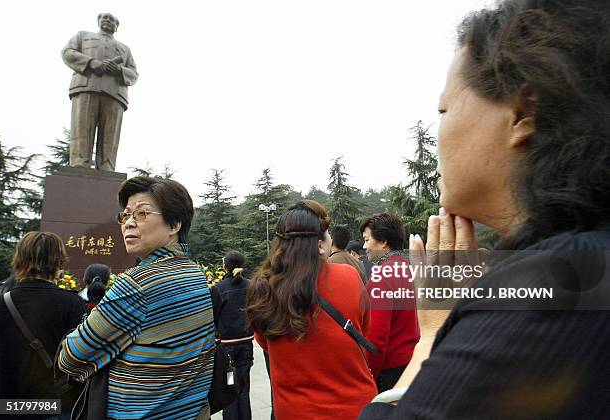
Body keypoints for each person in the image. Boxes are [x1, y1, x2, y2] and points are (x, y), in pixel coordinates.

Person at [360, 0, 610, 418]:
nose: (440, 130)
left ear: (523, 112)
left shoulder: (566, 279)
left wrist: (435, 331)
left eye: (444, 108)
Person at [59, 177, 215, 419]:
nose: (129, 223)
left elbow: (70, 357)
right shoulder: (193, 272)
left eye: (142, 214)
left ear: (174, 224)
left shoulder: (138, 283)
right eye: (126, 215)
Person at [246, 200, 377, 419]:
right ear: (319, 244)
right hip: (354, 409)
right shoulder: (349, 277)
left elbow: (264, 342)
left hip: (294, 411)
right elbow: (364, 329)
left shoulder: (262, 288)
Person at [0, 232, 86, 419]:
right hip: (55, 406)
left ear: (19, 258)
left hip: (7, 405)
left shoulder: (1, 302)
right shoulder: (71, 303)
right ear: (59, 261)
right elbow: (81, 358)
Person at [62, 12, 138, 171]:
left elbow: (134, 74)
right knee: (81, 129)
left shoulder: (125, 49)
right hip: (85, 87)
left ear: (116, 27)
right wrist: (91, 62)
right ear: (98, 22)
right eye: (104, 18)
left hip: (115, 94)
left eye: (112, 20)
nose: (108, 21)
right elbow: (67, 52)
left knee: (110, 136)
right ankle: (79, 165)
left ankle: (107, 168)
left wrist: (118, 70)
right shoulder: (83, 36)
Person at [360, 213, 420, 392]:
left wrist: (368, 374)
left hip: (388, 369)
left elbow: (376, 337)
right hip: (410, 362)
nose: (364, 246)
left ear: (383, 241)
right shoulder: (407, 268)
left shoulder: (382, 276)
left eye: (367, 239)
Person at [212, 250, 254, 420]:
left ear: (225, 266)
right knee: (244, 387)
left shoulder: (218, 289)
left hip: (227, 349)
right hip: (246, 346)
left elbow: (213, 318)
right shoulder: (250, 286)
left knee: (230, 387)